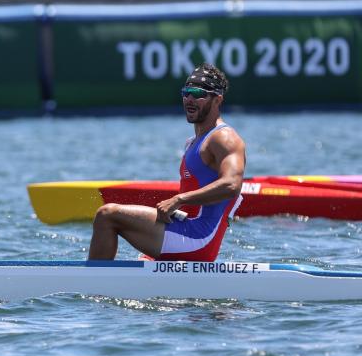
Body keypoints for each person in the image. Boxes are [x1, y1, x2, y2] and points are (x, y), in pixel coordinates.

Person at [88, 63, 246, 262]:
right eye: (186, 92)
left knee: (107, 215)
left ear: (217, 100)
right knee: (139, 255)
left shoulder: (224, 138)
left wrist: (179, 199)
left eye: (198, 93)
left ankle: (95, 288)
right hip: (186, 231)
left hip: (198, 240)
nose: (189, 99)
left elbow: (232, 185)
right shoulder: (193, 142)